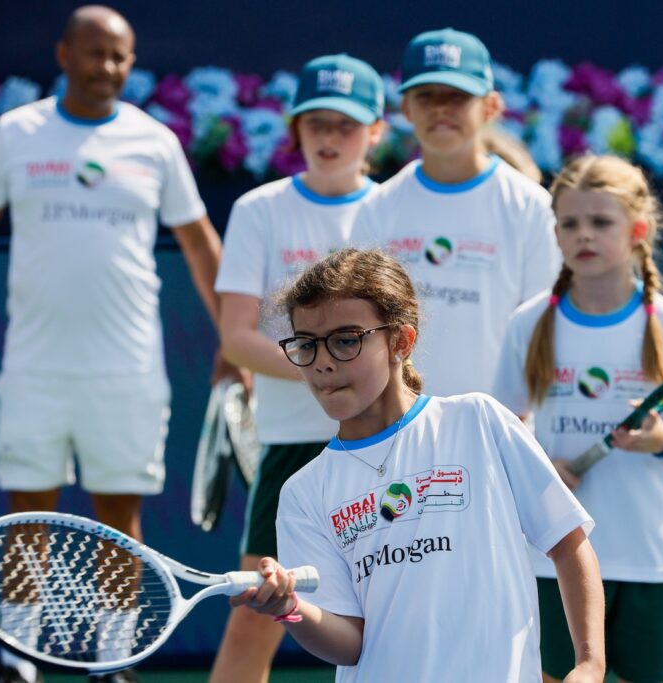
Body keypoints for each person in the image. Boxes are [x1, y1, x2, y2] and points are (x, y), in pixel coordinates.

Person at [0, 6, 229, 683]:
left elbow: (200, 242)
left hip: (127, 368)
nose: (108, 68)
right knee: (28, 511)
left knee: (119, 515)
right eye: (95, 54)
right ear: (64, 55)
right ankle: (20, 662)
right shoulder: (17, 133)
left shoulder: (154, 142)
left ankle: (114, 660)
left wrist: (232, 338)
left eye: (120, 56)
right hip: (34, 366)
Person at [230, 248, 606, 682]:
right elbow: (347, 644)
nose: (323, 361)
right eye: (306, 344)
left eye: (346, 339)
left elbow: (568, 542)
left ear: (400, 341)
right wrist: (290, 609)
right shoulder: (302, 493)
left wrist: (591, 664)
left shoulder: (479, 421)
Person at [492, 155, 663, 683]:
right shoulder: (528, 323)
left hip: (645, 552)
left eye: (601, 222)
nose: (583, 235)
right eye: (569, 223)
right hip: (555, 554)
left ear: (638, 230)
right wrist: (542, 467)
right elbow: (504, 428)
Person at [208, 55, 385, 683]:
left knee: (396, 606)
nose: (331, 138)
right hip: (292, 447)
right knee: (258, 611)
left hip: (386, 446)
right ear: (296, 131)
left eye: (346, 123)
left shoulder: (396, 207)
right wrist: (333, 374)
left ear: (377, 131)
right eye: (317, 124)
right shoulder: (260, 209)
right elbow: (236, 339)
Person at [351, 27, 561, 398]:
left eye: (457, 96)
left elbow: (543, 328)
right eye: (426, 95)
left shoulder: (529, 204)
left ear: (491, 106)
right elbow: (361, 327)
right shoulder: (377, 207)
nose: (441, 108)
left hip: (501, 421)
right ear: (406, 108)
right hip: (400, 424)